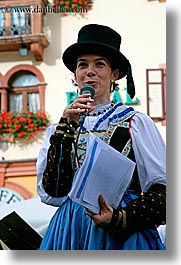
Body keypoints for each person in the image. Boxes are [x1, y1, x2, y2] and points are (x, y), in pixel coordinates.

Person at [36, 24, 166, 250]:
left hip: (122, 233)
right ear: (75, 76)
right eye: (82, 65)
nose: (90, 71)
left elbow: (166, 193)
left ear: (114, 75)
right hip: (69, 231)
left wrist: (119, 217)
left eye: (99, 64)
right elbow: (53, 191)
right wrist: (66, 130)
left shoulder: (135, 123)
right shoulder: (59, 129)